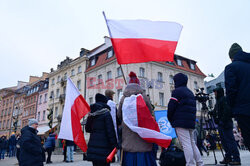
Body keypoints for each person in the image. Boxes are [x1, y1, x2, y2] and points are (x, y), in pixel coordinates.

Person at [118, 72, 156, 166]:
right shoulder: (144, 97)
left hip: (128, 135)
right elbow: (150, 113)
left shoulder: (123, 98)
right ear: (138, 85)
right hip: (142, 134)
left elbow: (119, 115)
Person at [167, 73, 203, 166]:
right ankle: (200, 162)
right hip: (190, 121)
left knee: (186, 144)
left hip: (180, 121)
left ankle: (190, 164)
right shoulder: (190, 92)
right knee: (192, 143)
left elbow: (171, 106)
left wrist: (170, 119)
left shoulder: (176, 92)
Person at [224, 43, 250, 152]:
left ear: (231, 57)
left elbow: (231, 90)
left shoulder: (231, 67)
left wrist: (231, 108)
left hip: (244, 110)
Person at [86, 93, 118, 166]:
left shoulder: (91, 114)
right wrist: (115, 146)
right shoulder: (106, 113)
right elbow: (110, 132)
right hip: (105, 149)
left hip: (93, 147)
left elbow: (87, 129)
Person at [211, 87, 241, 165]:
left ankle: (236, 158)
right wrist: (212, 113)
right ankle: (228, 157)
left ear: (219, 92)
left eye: (216, 92)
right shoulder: (218, 101)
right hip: (221, 124)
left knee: (230, 141)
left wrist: (222, 120)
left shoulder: (224, 99)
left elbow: (227, 111)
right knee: (224, 142)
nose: (215, 93)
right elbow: (216, 111)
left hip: (225, 123)